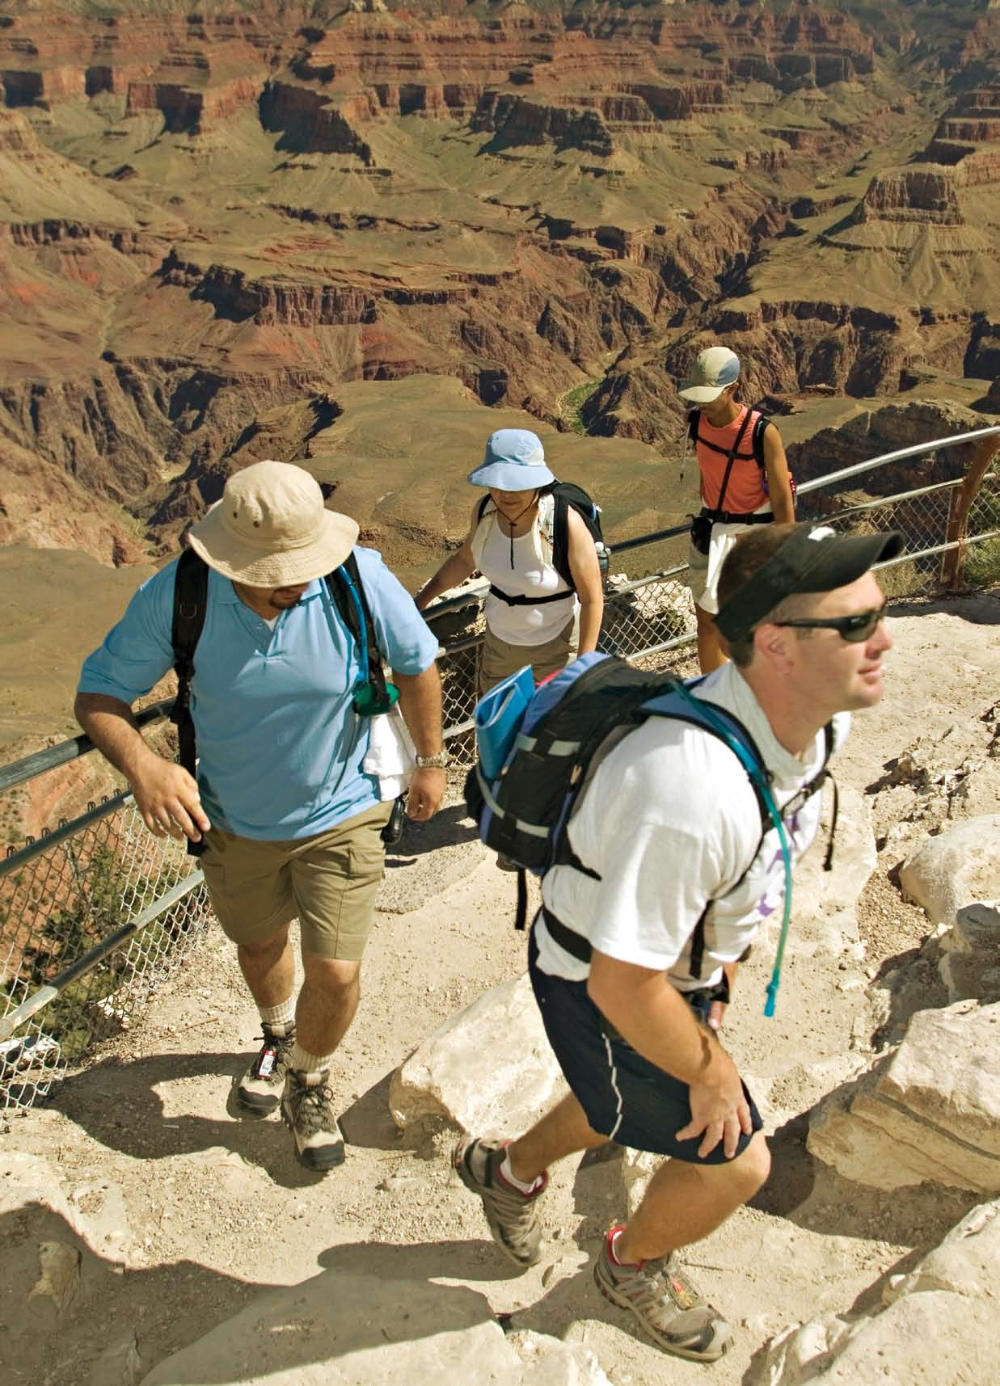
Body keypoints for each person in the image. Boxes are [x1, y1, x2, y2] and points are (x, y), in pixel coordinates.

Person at [453, 520, 901, 1363]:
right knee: (734, 1164)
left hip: (673, 965)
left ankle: (505, 1174)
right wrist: (707, 1066)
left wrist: (717, 977)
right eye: (852, 624)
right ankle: (631, 1265)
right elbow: (624, 987)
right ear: (775, 645)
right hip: (600, 979)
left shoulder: (812, 724)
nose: (883, 638)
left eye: (876, 613)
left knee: (614, 1101)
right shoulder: (690, 791)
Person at [75, 460, 446, 1172]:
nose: (300, 582)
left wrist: (430, 759)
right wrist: (144, 766)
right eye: (281, 572)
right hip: (232, 821)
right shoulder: (180, 595)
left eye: (306, 565)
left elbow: (417, 663)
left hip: (345, 809)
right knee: (259, 947)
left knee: (335, 972)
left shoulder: (357, 578)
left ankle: (308, 1076)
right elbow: (98, 695)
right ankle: (277, 1034)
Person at [415, 429, 604, 694]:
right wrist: (419, 603)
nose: (507, 494)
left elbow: (592, 598)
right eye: (499, 484)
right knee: (500, 731)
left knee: (551, 729)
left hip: (558, 648)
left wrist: (583, 667)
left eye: (517, 484)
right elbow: (463, 562)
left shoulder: (563, 522)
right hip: (500, 648)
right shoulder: (484, 513)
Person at [678, 346, 795, 674]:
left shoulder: (763, 433)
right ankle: (713, 697)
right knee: (707, 625)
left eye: (709, 394)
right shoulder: (695, 423)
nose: (701, 402)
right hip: (710, 531)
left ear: (732, 389)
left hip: (753, 535)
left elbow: (782, 498)